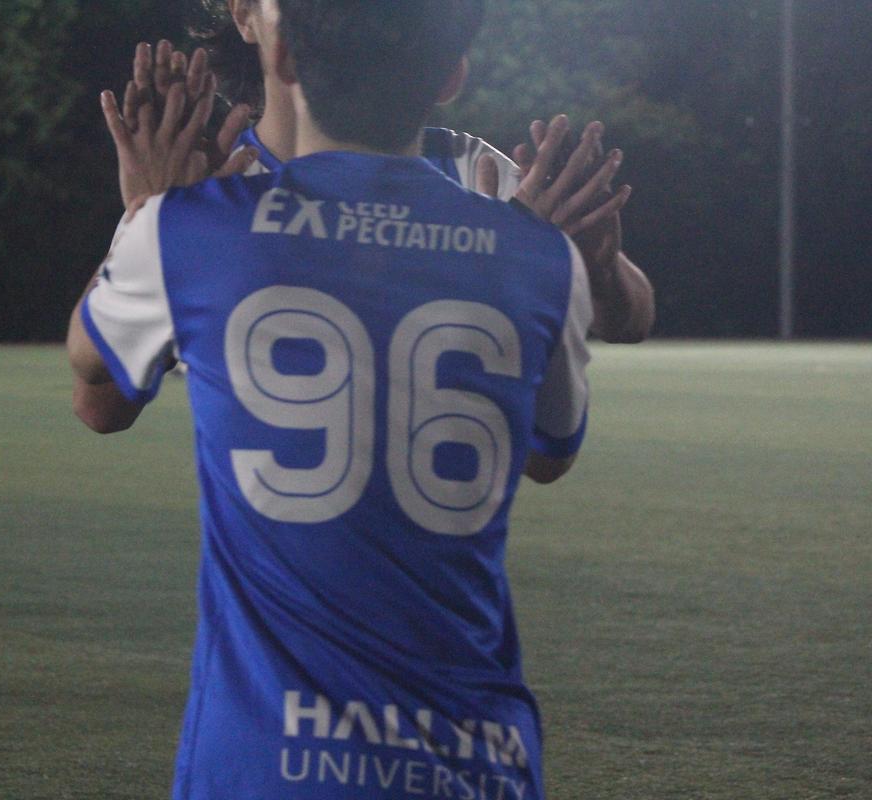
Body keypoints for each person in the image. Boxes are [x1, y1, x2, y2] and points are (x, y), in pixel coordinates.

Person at [70, 1, 606, 797]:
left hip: (268, 761)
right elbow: (549, 454)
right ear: (452, 75)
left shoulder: (191, 227)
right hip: (477, 762)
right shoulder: (538, 254)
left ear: (284, 58)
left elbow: (88, 368)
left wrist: (146, 211)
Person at [117, 0, 654, 344]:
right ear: (243, 14)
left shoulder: (474, 171)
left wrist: (598, 270)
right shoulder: (206, 184)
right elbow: (100, 405)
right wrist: (151, 221)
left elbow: (629, 321)